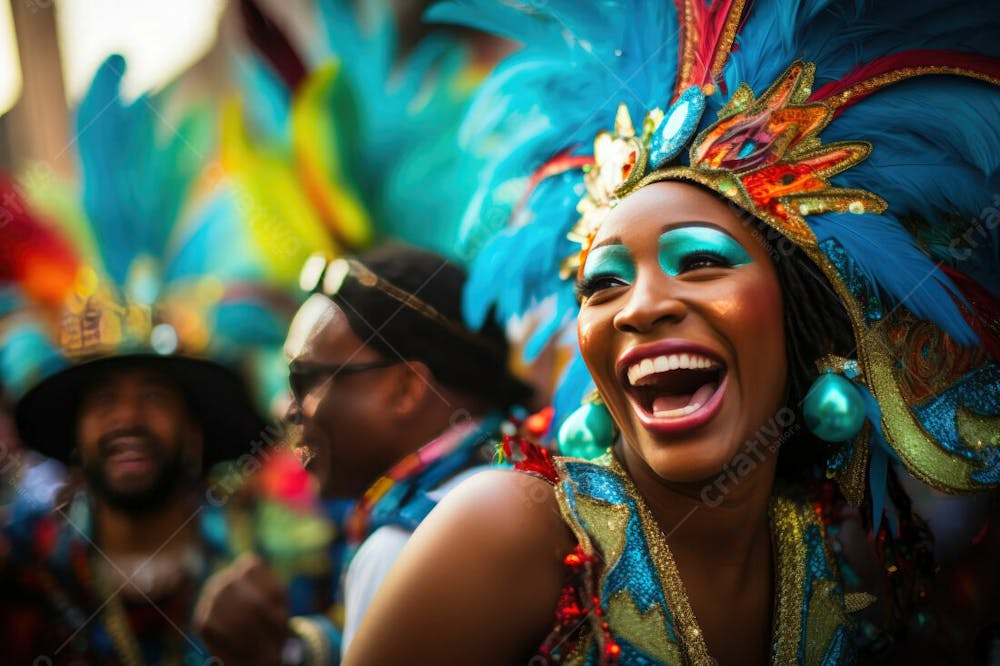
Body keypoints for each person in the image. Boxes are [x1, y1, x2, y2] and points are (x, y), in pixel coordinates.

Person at [341, 1, 1000, 664]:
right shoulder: (511, 531)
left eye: (702, 262)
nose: (640, 308)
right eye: (603, 284)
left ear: (806, 318)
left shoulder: (839, 559)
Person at [0, 54, 306, 664]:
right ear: (74, 433)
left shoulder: (279, 552)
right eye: (105, 401)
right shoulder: (22, 565)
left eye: (155, 399)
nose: (127, 419)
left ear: (195, 427)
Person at [195, 244, 533, 664]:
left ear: (406, 389)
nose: (285, 407)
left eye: (305, 379)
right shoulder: (525, 475)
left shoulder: (402, 548)